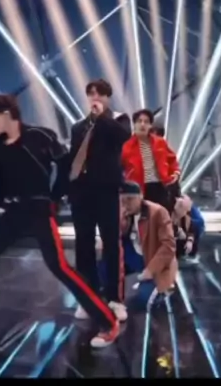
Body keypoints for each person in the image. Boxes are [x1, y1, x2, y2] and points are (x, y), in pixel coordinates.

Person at [0, 94, 120, 349]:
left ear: (6, 113)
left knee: (60, 267)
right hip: (14, 211)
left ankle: (108, 321)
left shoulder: (40, 136)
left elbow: (66, 165)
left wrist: (55, 196)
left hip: (39, 209)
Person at [69, 79, 132, 322]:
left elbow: (123, 137)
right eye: (91, 94)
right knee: (83, 246)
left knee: (111, 245)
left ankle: (115, 299)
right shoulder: (78, 127)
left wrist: (102, 117)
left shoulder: (118, 120)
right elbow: (73, 159)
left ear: (108, 97)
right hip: (81, 194)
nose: (95, 97)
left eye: (100, 94)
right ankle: (88, 297)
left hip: (106, 191)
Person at [96, 181, 178, 311]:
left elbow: (169, 245)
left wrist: (151, 270)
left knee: (141, 301)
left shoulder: (157, 212)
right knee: (102, 267)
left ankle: (160, 290)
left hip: (151, 259)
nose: (126, 204)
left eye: (130, 199)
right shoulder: (123, 213)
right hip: (132, 256)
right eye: (122, 200)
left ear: (141, 196)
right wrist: (120, 220)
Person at [121, 109, 181, 212]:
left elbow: (172, 159)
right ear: (134, 124)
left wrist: (175, 173)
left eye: (146, 122)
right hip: (140, 189)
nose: (142, 124)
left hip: (160, 187)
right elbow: (120, 167)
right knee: (144, 217)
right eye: (139, 121)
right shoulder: (127, 147)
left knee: (162, 216)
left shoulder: (160, 142)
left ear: (150, 126)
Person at [171, 195, 205, 264]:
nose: (186, 212)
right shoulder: (168, 216)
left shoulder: (187, 219)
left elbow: (191, 230)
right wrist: (177, 230)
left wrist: (190, 240)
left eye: (187, 210)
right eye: (184, 210)